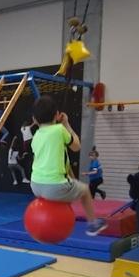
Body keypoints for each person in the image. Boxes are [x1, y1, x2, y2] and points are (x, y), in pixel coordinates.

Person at [29, 95, 107, 236]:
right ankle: (92, 224)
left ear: (34, 119)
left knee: (70, 182)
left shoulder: (36, 136)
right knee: (84, 190)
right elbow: (76, 146)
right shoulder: (59, 130)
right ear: (57, 115)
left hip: (35, 185)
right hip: (54, 187)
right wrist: (66, 124)